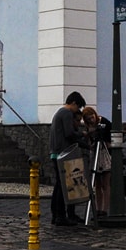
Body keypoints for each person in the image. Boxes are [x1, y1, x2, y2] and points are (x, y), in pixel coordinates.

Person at [49, 91, 86, 226]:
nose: (78, 110)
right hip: (63, 153)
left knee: (59, 185)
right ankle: (60, 215)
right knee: (62, 186)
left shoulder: (59, 112)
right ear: (73, 103)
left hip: (56, 152)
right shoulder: (67, 113)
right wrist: (82, 134)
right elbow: (69, 133)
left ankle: (56, 214)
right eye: (78, 107)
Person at [82, 105, 113, 217]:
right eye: (89, 119)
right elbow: (90, 142)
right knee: (98, 185)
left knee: (106, 183)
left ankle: (104, 209)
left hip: (104, 153)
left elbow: (110, 139)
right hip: (95, 154)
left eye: (92, 117)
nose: (92, 120)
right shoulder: (89, 127)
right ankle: (98, 209)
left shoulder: (105, 122)